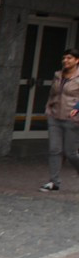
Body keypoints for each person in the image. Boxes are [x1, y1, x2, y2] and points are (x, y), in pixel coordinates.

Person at [40, 48, 79, 192]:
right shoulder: (58, 75)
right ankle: (54, 182)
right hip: (55, 117)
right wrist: (48, 110)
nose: (65, 60)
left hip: (72, 119)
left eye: (69, 58)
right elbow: (52, 94)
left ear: (77, 60)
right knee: (54, 150)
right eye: (64, 58)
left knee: (71, 153)